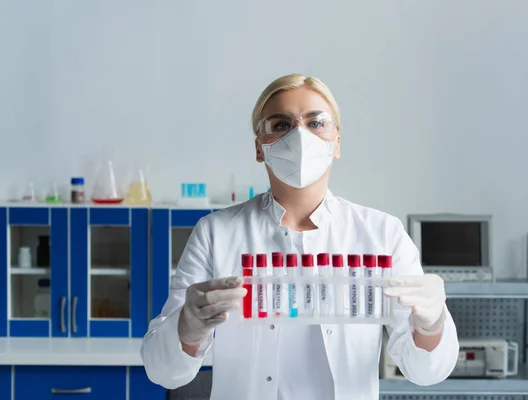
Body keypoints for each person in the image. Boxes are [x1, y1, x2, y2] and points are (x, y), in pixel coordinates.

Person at [141, 74, 459, 400]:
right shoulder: (216, 233)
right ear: (258, 148)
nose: (300, 136)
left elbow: (425, 371)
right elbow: (164, 370)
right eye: (280, 125)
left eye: (316, 122)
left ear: (336, 143)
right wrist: (188, 326)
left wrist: (432, 323)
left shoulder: (382, 234)